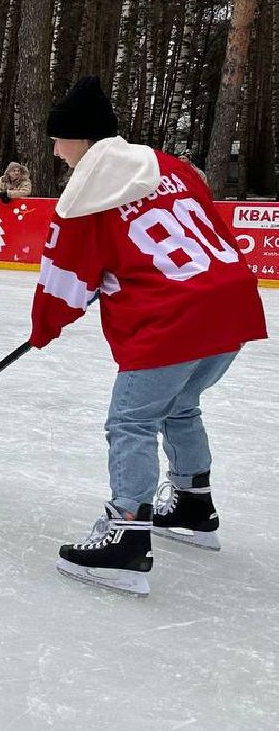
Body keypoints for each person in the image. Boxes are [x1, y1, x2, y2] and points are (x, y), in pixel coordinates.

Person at [31, 76, 267, 596]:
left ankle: (126, 537)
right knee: (180, 407)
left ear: (83, 140)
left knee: (131, 421)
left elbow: (64, 280)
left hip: (172, 318)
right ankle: (192, 504)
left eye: (59, 139)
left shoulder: (84, 194)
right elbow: (214, 232)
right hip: (231, 302)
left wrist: (43, 328)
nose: (55, 150)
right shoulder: (170, 166)